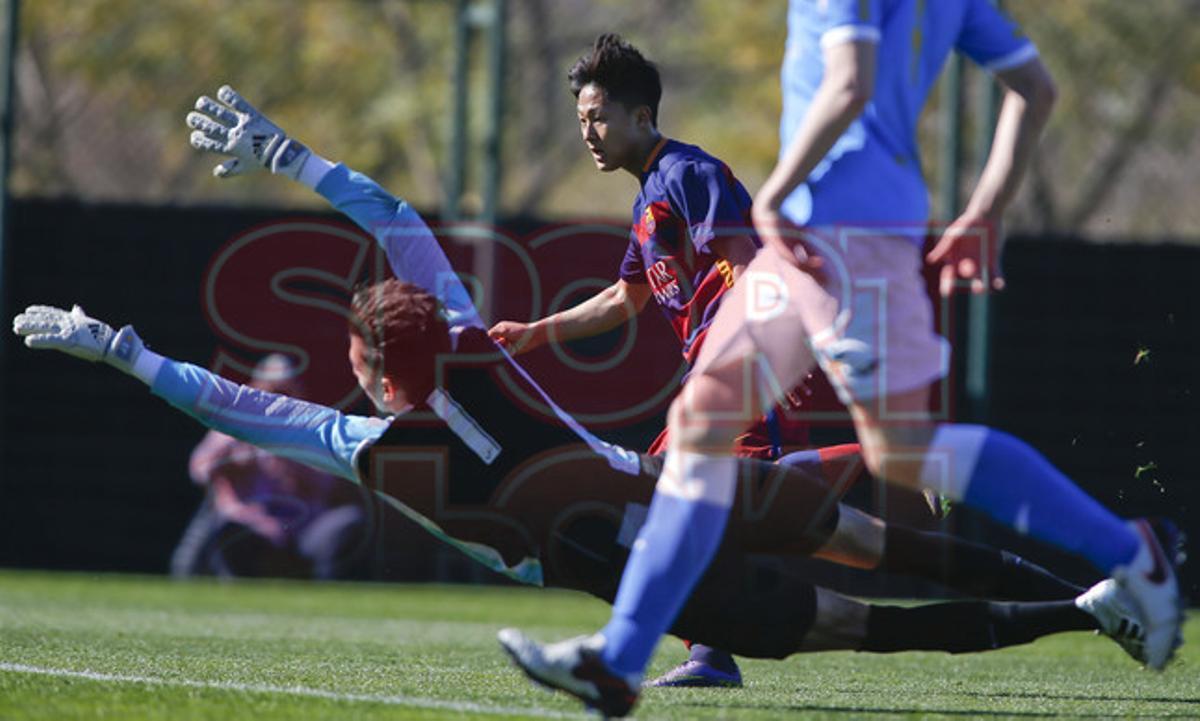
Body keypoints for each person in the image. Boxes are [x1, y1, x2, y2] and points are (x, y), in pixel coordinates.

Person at [12, 85, 1141, 704]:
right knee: (886, 537)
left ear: (368, 371)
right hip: (688, 495)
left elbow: (233, 407)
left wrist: (121, 351)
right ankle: (1107, 574)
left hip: (662, 577)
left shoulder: (373, 448)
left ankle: (1079, 615)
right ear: (431, 337)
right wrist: (289, 155)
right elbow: (398, 221)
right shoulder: (473, 347)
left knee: (872, 631)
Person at [500, 2, 1184, 716]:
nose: (588, 132)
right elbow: (1035, 89)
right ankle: (621, 658)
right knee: (701, 423)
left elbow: (850, 82)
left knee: (901, 450)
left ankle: (1134, 550)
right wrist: (986, 208)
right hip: (826, 228)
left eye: (598, 116)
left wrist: (780, 187)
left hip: (844, 223)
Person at [489, 32, 820, 687]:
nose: (588, 132)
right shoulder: (647, 199)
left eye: (599, 118)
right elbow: (623, 299)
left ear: (642, 117)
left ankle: (899, 462)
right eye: (581, 119)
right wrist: (532, 333)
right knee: (663, 504)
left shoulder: (687, 174)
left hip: (745, 377)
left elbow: (750, 263)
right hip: (715, 386)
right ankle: (707, 649)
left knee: (710, 510)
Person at [171, 353, 371, 580]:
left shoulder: (306, 429)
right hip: (250, 523)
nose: (277, 400)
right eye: (273, 391)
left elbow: (331, 481)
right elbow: (199, 469)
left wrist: (296, 468)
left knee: (345, 522)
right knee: (229, 530)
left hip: (301, 527)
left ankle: (326, 597)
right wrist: (232, 460)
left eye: (285, 393)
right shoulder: (234, 425)